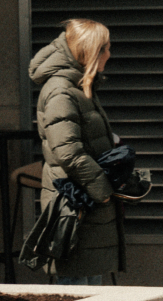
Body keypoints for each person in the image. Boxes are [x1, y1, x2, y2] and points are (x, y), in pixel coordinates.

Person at [29, 18, 124, 286]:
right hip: (74, 203)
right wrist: (103, 191)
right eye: (105, 48)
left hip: (83, 200)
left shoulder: (77, 86)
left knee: (89, 283)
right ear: (91, 50)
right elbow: (68, 152)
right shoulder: (61, 91)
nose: (109, 54)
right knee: (77, 288)